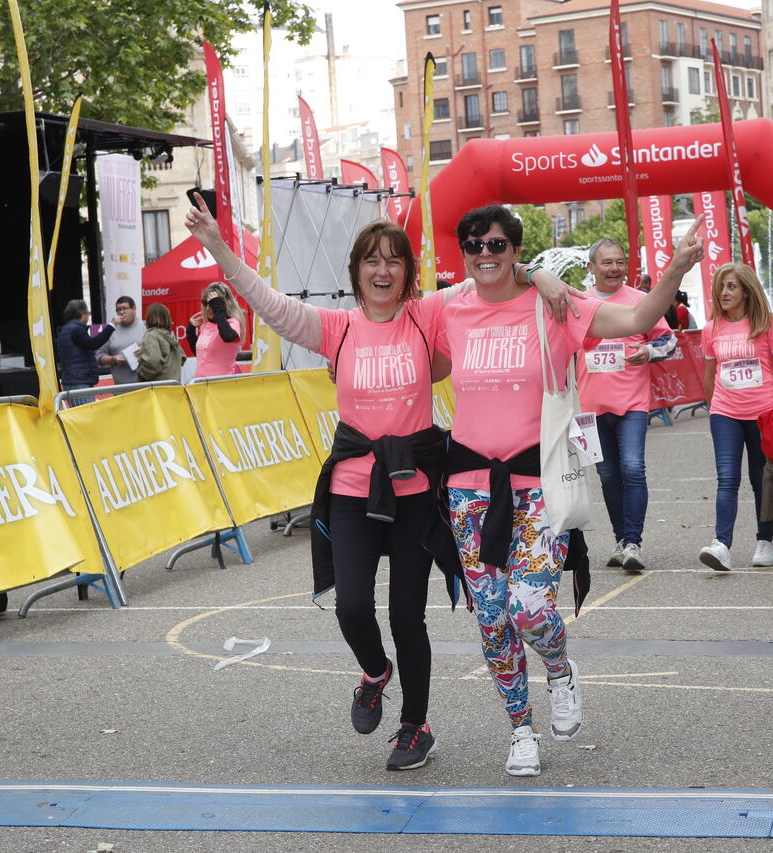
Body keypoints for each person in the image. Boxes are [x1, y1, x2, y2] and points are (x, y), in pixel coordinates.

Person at [185, 196, 568, 773]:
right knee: (353, 608)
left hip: (417, 493)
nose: (382, 270)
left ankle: (416, 725)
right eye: (371, 260)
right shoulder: (335, 329)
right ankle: (372, 671)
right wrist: (217, 246)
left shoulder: (427, 314)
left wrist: (537, 272)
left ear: (408, 273)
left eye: (394, 260)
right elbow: (266, 302)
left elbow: (489, 279)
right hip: (352, 488)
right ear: (356, 271)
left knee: (407, 618)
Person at [438, 205, 703, 776]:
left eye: (498, 244)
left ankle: (558, 667)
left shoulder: (553, 304)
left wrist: (676, 270)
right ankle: (520, 730)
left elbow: (636, 321)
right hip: (468, 490)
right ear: (463, 251)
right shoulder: (448, 308)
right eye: (474, 244)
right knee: (492, 621)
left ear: (515, 249)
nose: (486, 254)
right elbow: (386, 324)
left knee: (530, 609)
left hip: (540, 484)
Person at [576, 238, 675, 574]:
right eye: (607, 263)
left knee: (633, 468)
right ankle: (622, 541)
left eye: (620, 261)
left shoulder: (640, 301)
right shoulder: (579, 303)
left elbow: (669, 339)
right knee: (607, 475)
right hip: (589, 408)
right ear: (591, 267)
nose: (615, 268)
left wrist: (650, 352)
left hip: (632, 403)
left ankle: (633, 541)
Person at [698, 262, 773, 571]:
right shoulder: (711, 328)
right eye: (721, 287)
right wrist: (713, 407)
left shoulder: (768, 324)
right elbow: (710, 375)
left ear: (746, 290)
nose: (724, 292)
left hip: (763, 415)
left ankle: (765, 542)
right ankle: (721, 546)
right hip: (725, 414)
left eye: (731, 286)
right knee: (727, 478)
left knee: (762, 480)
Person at [56, 299, 115, 404]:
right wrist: (111, 326)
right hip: (79, 382)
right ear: (82, 314)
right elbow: (94, 344)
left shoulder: (64, 330)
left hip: (71, 382)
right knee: (88, 417)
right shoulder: (77, 330)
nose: (88, 317)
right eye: (88, 314)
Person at [186, 281, 243, 377]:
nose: (208, 308)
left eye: (212, 304)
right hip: (202, 384)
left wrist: (218, 310)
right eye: (207, 304)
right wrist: (191, 331)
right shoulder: (207, 325)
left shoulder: (232, 322)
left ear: (222, 305)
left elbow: (228, 336)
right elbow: (201, 354)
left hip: (221, 384)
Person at [98, 295, 146, 385]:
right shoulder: (110, 331)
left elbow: (158, 351)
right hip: (120, 388)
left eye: (124, 308)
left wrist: (145, 350)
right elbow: (99, 357)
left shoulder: (145, 326)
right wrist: (113, 359)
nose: (121, 312)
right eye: (118, 310)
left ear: (134, 309)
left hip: (144, 385)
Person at [136, 303, 184, 382]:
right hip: (175, 386)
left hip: (157, 388)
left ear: (149, 317)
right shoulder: (170, 335)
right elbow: (182, 358)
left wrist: (141, 373)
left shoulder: (151, 335)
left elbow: (153, 361)